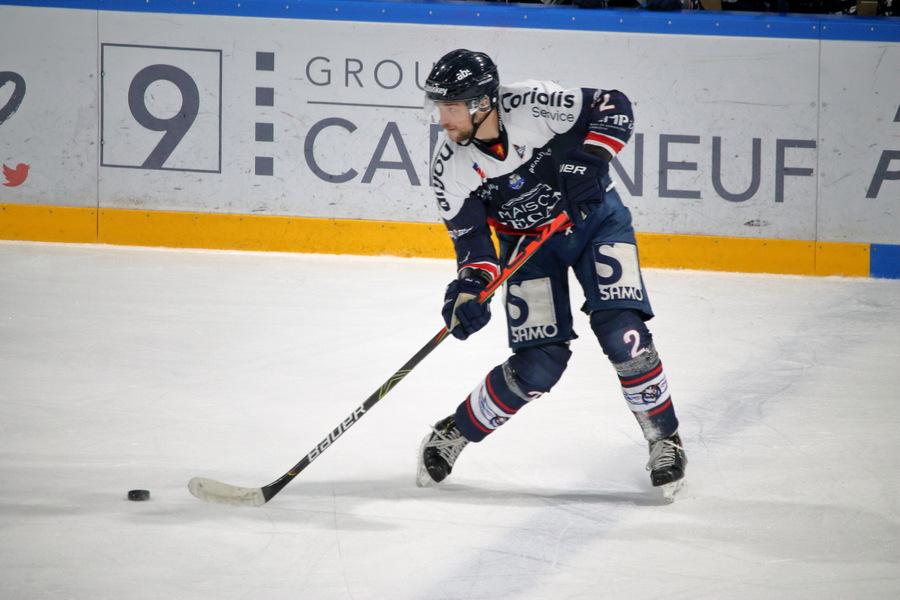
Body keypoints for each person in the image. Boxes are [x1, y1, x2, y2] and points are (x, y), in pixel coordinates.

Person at [417, 49, 687, 499]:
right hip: (529, 251)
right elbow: (475, 250)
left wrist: (592, 157)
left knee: (622, 332)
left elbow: (613, 105)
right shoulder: (449, 169)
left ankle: (664, 439)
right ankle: (456, 430)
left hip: (596, 222)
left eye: (451, 107)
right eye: (439, 107)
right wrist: (468, 293)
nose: (442, 119)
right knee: (538, 365)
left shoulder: (532, 104)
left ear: (482, 102)